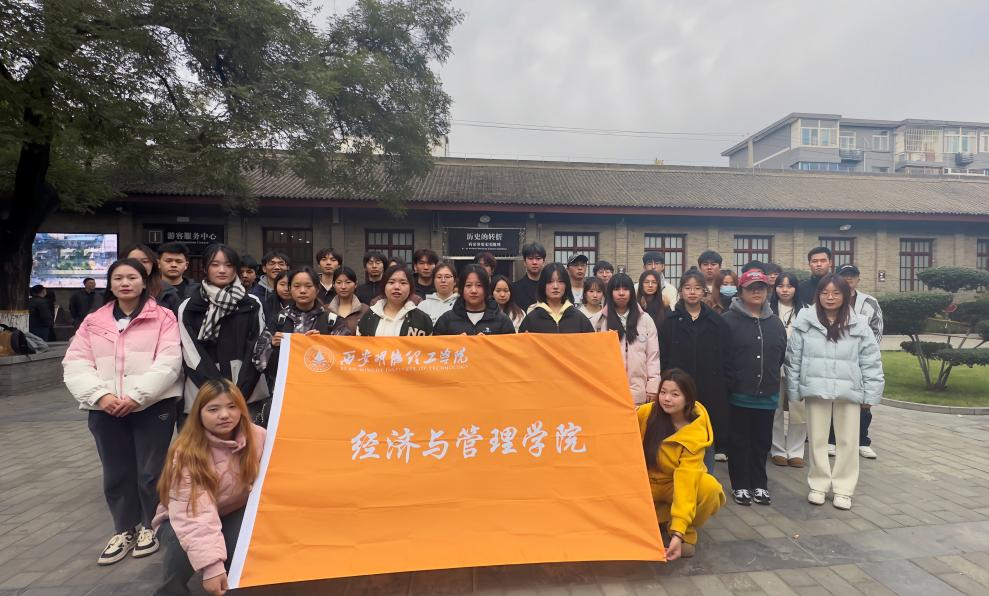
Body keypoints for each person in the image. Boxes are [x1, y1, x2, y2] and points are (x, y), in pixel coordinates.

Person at [63, 258, 182, 566]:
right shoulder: (94, 321)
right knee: (116, 472)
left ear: (144, 282)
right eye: (118, 278)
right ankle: (123, 529)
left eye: (132, 277)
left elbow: (169, 361)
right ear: (110, 284)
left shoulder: (163, 317)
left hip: (152, 406)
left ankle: (150, 526)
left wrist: (137, 396)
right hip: (105, 409)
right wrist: (100, 396)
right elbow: (75, 363)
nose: (125, 283)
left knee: (149, 471)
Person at [152, 379, 265, 596]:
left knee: (239, 556)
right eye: (213, 409)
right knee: (182, 544)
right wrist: (212, 567)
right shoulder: (186, 452)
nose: (224, 415)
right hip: (182, 516)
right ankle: (171, 590)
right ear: (199, 413)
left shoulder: (258, 436)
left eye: (232, 407)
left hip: (232, 510)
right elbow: (193, 513)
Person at [785, 274, 884, 511]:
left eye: (836, 293)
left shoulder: (859, 323)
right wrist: (794, 390)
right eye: (825, 293)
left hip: (849, 390)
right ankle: (818, 485)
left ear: (845, 295)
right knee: (817, 440)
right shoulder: (805, 320)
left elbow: (871, 361)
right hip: (816, 389)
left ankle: (843, 489)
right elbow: (793, 358)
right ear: (818, 295)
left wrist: (871, 394)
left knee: (848, 441)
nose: (830, 298)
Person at [637, 369, 725, 561]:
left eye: (675, 394)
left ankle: (683, 531)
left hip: (674, 484)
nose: (666, 399)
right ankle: (660, 517)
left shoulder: (695, 431)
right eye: (663, 392)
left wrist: (678, 532)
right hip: (644, 483)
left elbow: (686, 480)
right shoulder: (646, 413)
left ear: (688, 399)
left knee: (709, 488)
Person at [177, 244, 268, 423]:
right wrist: (215, 390)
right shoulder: (189, 306)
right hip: (203, 389)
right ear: (205, 268)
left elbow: (257, 347)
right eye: (215, 264)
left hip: (247, 388)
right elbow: (190, 352)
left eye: (228, 265)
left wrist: (240, 390)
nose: (222, 270)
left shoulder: (251, 303)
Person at [721, 270, 787, 506]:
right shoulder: (728, 321)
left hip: (767, 396)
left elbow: (779, 355)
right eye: (751, 288)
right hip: (738, 395)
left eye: (761, 287)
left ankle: (759, 484)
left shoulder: (775, 323)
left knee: (761, 443)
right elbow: (723, 357)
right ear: (741, 291)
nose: (756, 292)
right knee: (739, 443)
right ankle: (740, 485)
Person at [659, 270, 732, 469]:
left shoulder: (717, 322)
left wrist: (725, 384)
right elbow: (663, 357)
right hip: (678, 388)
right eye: (688, 288)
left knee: (706, 434)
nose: (692, 292)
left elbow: (727, 356)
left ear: (704, 291)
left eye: (697, 288)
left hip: (710, 388)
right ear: (681, 291)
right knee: (676, 433)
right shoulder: (670, 322)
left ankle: (705, 477)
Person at [254, 269, 343, 399]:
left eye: (308, 286)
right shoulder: (279, 320)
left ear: (317, 289)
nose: (302, 291)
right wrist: (272, 345)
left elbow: (345, 361)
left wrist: (324, 344)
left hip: (324, 392)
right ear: (290, 289)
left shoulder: (332, 321)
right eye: (296, 286)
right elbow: (258, 363)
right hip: (285, 392)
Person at [833, 264, 884, 460]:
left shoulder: (869, 302)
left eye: (852, 276)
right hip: (837, 359)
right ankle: (832, 440)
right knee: (834, 399)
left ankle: (862, 441)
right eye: (844, 276)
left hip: (861, 360)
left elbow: (877, 330)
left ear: (858, 279)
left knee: (863, 402)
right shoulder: (831, 299)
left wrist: (865, 351)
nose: (848, 279)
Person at [594, 273, 659, 405]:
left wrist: (653, 387)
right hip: (607, 393)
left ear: (632, 292)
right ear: (610, 293)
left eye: (626, 289)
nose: (621, 293)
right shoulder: (598, 321)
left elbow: (653, 356)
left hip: (639, 394)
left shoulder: (645, 320)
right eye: (616, 289)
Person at [769, 272, 806, 468]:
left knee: (798, 409)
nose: (784, 290)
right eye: (780, 286)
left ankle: (796, 451)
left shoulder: (806, 311)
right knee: (775, 409)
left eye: (789, 286)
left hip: (799, 367)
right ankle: (777, 449)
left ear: (796, 289)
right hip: (774, 366)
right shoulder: (767, 309)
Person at [434, 265, 516, 335]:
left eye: (479, 285)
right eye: (468, 285)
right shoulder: (446, 320)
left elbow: (511, 347)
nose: (473, 290)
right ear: (461, 289)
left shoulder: (502, 320)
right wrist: (456, 342)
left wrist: (487, 343)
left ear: (486, 289)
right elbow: (436, 346)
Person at [356, 265, 433, 336]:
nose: (397, 287)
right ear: (384, 286)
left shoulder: (422, 319)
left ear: (410, 288)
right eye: (391, 282)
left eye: (403, 283)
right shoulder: (369, 317)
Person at [519, 263, 595, 333]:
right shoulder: (531, 319)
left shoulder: (579, 318)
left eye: (560, 281)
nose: (555, 286)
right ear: (543, 285)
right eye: (550, 282)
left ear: (566, 285)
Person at [124, 244, 182, 314]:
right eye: (133, 261)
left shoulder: (167, 292)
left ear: (153, 264)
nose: (140, 265)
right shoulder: (116, 288)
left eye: (145, 261)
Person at [326, 266, 369, 335]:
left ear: (356, 284)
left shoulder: (365, 310)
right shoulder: (325, 310)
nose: (343, 287)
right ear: (333, 285)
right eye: (339, 283)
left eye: (348, 282)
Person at [513, 241, 546, 312]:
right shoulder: (514, 288)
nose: (534, 262)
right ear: (524, 262)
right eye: (530, 258)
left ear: (543, 262)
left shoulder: (549, 286)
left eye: (538, 258)